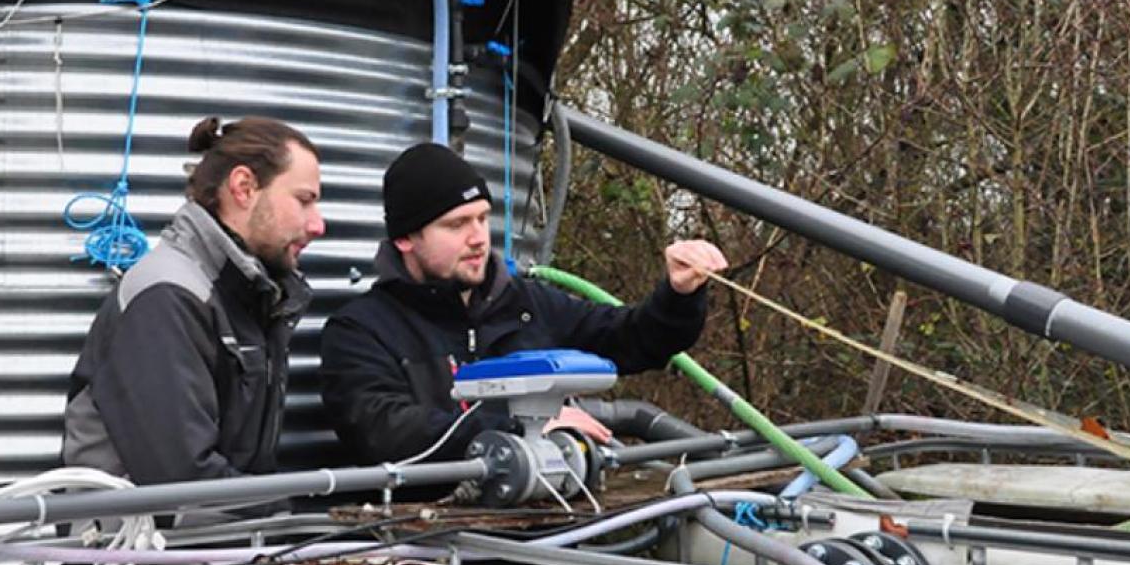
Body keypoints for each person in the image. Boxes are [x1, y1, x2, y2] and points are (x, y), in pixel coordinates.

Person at [319, 142, 727, 467]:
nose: (478, 237)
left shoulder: (527, 304)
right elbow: (383, 430)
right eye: (457, 224)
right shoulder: (362, 330)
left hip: (552, 528)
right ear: (406, 238)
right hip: (425, 546)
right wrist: (522, 429)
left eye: (481, 218)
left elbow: (634, 340)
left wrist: (679, 294)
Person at [62, 115, 325, 484]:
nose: (318, 225)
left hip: (214, 535)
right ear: (244, 187)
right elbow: (181, 483)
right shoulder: (168, 297)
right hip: (138, 538)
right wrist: (284, 516)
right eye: (304, 201)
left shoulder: (251, 294)